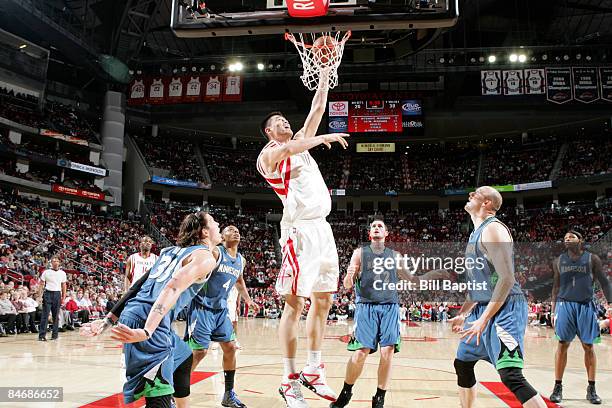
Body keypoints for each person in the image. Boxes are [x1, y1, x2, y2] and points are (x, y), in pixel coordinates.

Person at [257, 69, 349, 407]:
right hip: (299, 233)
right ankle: (289, 379)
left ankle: (313, 368)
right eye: (279, 122)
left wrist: (325, 76)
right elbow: (293, 145)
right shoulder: (268, 155)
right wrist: (321, 138)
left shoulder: (300, 146)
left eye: (285, 120)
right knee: (294, 304)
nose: (285, 123)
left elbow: (316, 110)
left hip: (323, 230)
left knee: (323, 300)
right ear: (269, 131)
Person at [84, 212, 221, 408]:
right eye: (214, 222)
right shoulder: (205, 257)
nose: (218, 225)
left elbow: (137, 286)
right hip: (150, 321)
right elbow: (172, 287)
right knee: (158, 399)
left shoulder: (168, 252)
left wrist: (107, 321)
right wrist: (147, 331)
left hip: (135, 313)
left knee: (184, 357)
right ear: (205, 232)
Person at [332, 219, 446, 408]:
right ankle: (346, 391)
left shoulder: (395, 256)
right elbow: (347, 285)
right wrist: (349, 274)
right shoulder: (359, 253)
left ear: (386, 234)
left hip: (389, 307)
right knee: (360, 353)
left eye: (380, 226)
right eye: (373, 226)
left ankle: (379, 398)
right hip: (366, 307)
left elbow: (414, 280)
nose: (376, 228)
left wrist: (433, 274)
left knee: (388, 352)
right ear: (370, 234)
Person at [450, 186, 546, 408]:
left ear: (487, 203)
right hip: (483, 307)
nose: (470, 195)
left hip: (506, 307)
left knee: (510, 375)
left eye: (475, 193)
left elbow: (506, 279)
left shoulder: (493, 230)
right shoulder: (476, 233)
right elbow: (479, 285)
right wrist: (464, 313)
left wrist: (483, 320)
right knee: (463, 364)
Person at [185, 225, 258, 408]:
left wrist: (248, 300)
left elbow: (239, 281)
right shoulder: (217, 253)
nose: (236, 231)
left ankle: (228, 394)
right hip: (202, 308)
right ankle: (176, 390)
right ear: (222, 237)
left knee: (230, 347)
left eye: (237, 230)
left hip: (220, 310)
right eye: (230, 230)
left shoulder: (241, 260)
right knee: (199, 352)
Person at [549, 231, 611, 404]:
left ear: (580, 240)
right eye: (565, 237)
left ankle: (591, 389)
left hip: (585, 305)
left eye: (571, 237)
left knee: (588, 347)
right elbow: (555, 287)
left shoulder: (593, 259)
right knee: (562, 345)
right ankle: (557, 386)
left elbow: (604, 282)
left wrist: (611, 303)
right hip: (564, 305)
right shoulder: (558, 261)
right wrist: (553, 311)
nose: (567, 239)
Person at [38, 256, 67, 341]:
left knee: (56, 316)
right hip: (48, 293)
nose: (55, 262)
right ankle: (42, 335)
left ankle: (55, 335)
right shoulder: (46, 272)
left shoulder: (62, 273)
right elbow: (41, 284)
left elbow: (64, 285)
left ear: (59, 263)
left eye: (57, 261)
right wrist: (40, 296)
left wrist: (63, 297)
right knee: (45, 315)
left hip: (57, 294)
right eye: (53, 261)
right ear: (51, 263)